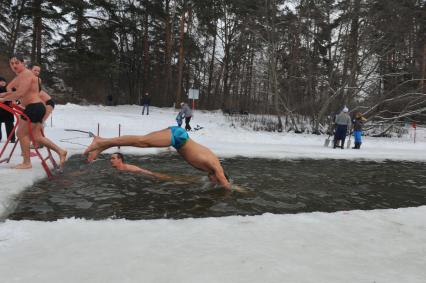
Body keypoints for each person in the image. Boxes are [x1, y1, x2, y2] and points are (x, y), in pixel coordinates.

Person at [83, 126, 231, 189]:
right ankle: (101, 141)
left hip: (177, 139)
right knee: (141, 141)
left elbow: (220, 180)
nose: (212, 182)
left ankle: (103, 145)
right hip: (178, 137)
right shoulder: (216, 167)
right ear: (219, 176)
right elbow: (225, 184)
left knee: (142, 143)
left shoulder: (211, 168)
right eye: (215, 181)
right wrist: (233, 191)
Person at [0, 56, 67, 169]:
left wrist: (4, 99)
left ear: (23, 63)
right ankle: (61, 151)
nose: (14, 66)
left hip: (34, 107)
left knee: (21, 134)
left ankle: (27, 162)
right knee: (37, 137)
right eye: (12, 64)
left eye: (17, 63)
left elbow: (20, 93)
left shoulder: (26, 74)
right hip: (35, 107)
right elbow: (10, 87)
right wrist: (5, 94)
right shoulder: (21, 76)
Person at [0, 77, 16, 143]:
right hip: (0, 110)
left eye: (3, 81)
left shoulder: (10, 88)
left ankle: (12, 138)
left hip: (8, 110)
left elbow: (16, 94)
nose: (2, 82)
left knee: (9, 124)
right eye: (1, 81)